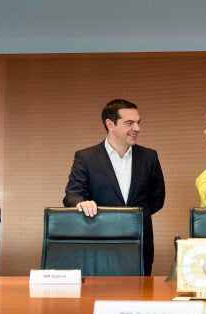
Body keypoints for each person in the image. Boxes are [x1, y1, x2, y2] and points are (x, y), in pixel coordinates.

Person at [63, 98, 165, 276]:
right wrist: (82, 203)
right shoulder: (86, 157)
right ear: (110, 124)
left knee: (139, 299)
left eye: (138, 123)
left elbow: (157, 199)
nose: (137, 128)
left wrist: (134, 218)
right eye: (129, 123)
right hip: (99, 243)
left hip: (140, 244)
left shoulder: (149, 157)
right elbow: (73, 195)